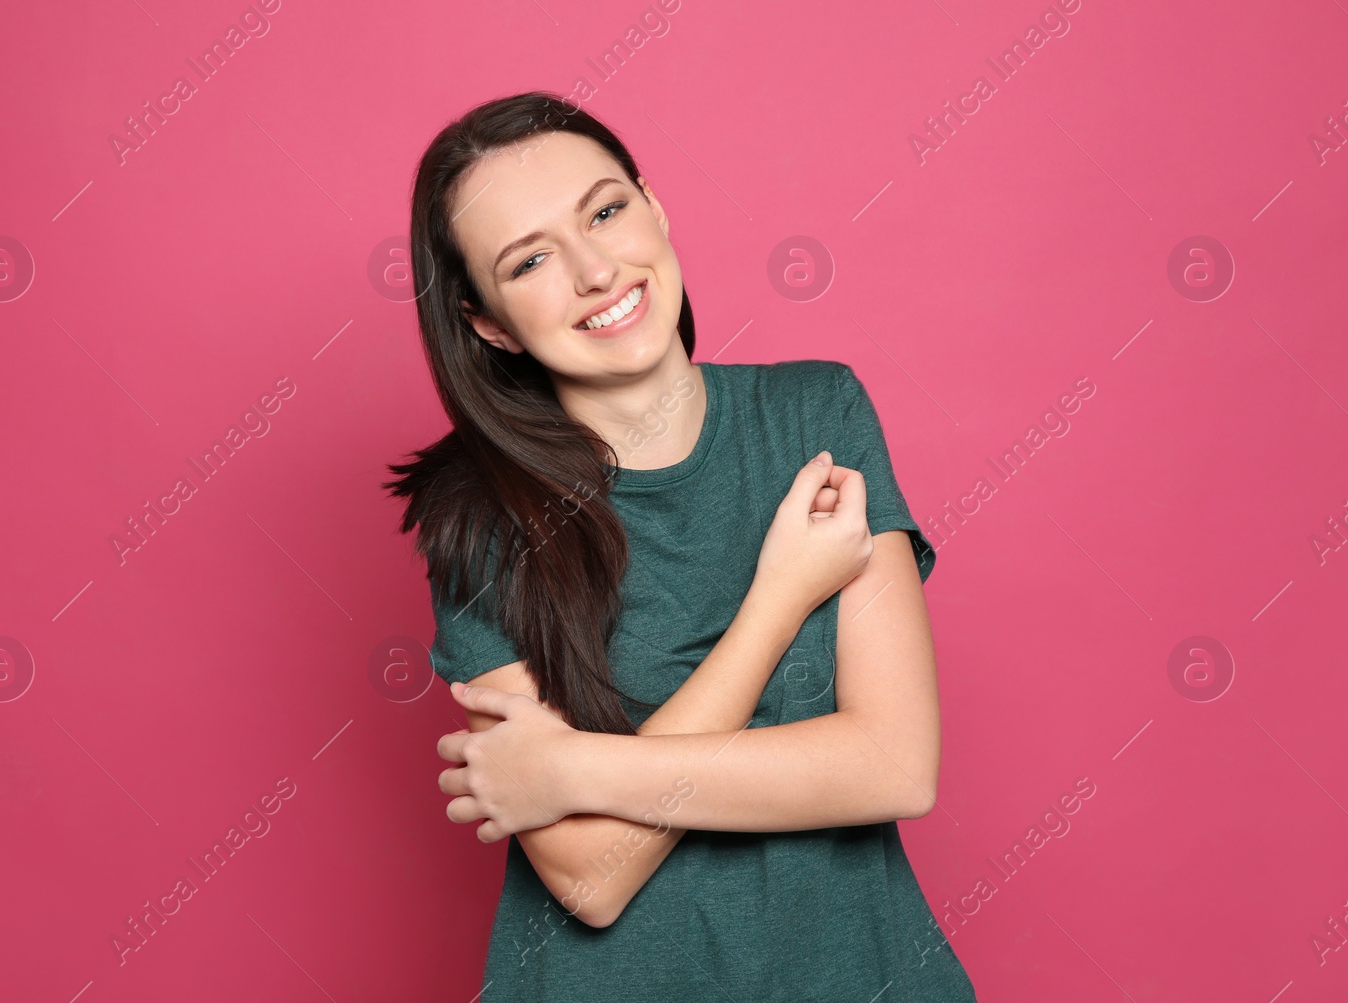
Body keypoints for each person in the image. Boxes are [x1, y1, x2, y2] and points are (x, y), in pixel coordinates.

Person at [384, 91, 977, 1002]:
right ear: (488, 323)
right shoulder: (482, 520)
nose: (595, 269)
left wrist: (574, 767)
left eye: (606, 210)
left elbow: (893, 764)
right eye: (532, 259)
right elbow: (591, 875)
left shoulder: (816, 416)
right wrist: (780, 599)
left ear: (653, 208)